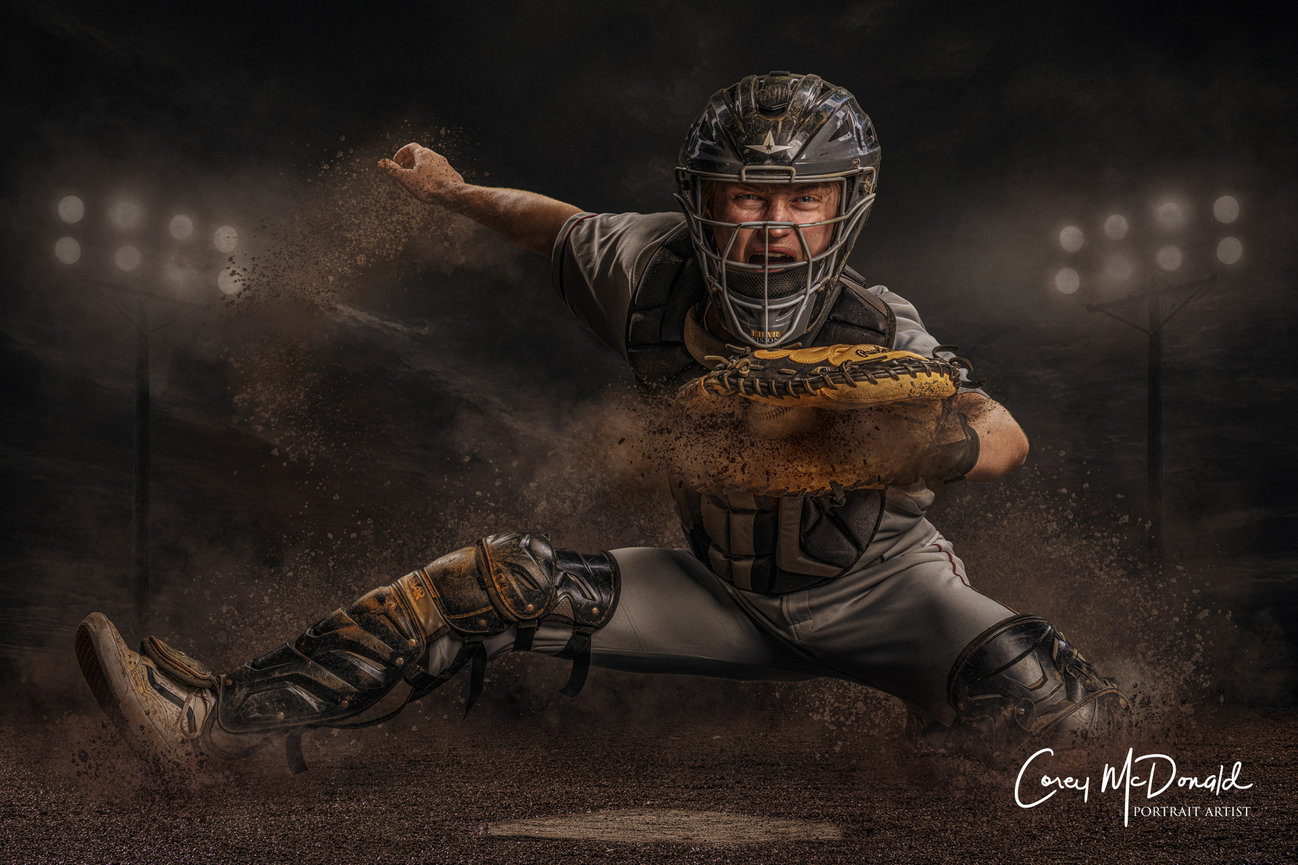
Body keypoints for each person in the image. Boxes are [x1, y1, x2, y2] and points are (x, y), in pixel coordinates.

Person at [75, 72, 1128, 772]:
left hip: (881, 593)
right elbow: (554, 226)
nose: (768, 226)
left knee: (1055, 720)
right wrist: (451, 195)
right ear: (700, 202)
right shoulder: (648, 269)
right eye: (743, 200)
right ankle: (210, 723)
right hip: (719, 591)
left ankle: (941, 716)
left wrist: (949, 443)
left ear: (843, 204)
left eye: (799, 200)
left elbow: (1002, 426)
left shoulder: (879, 323)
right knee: (495, 578)